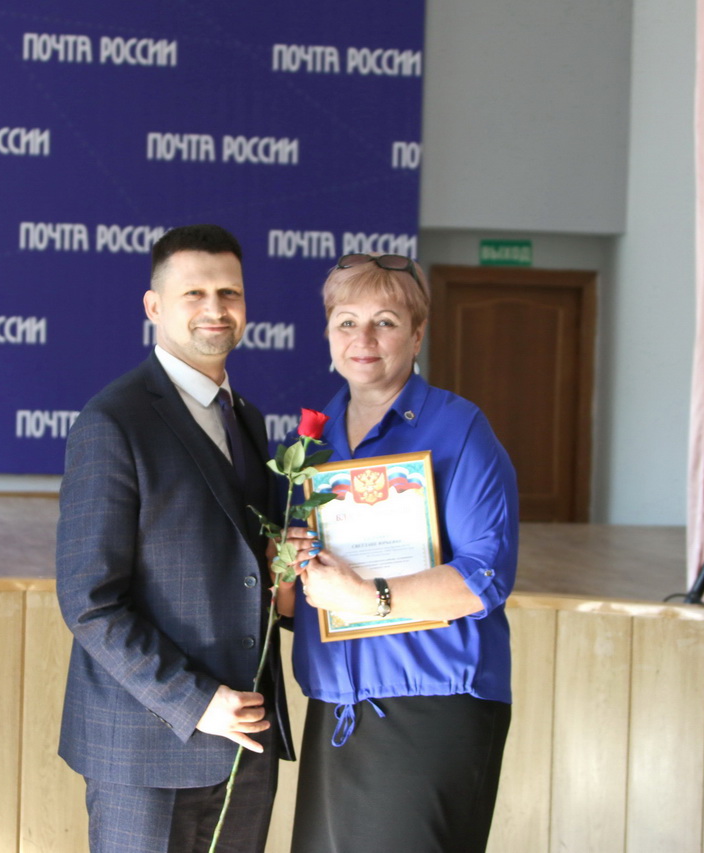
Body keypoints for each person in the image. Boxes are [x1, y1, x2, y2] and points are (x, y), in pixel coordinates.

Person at [56, 224, 292, 853]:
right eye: (194, 293)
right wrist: (195, 702)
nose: (216, 308)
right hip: (149, 748)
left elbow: (252, 567)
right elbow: (89, 602)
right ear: (154, 306)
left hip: (246, 741)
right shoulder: (113, 421)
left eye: (229, 292)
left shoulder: (246, 418)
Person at [280, 252, 518, 853]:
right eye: (347, 322)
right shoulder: (312, 445)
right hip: (336, 703)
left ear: (416, 334)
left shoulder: (460, 428)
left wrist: (370, 597)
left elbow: (485, 576)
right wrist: (285, 569)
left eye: (384, 322)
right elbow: (297, 600)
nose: (362, 339)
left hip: (432, 702)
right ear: (328, 334)